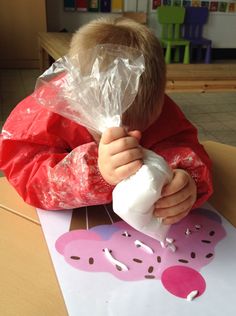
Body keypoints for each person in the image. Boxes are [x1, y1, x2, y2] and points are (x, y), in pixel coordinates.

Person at [0, 17, 212, 225]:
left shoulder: (159, 106)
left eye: (142, 128)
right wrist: (96, 172)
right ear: (78, 100)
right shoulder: (46, 113)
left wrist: (188, 182)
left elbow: (184, 144)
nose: (129, 136)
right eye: (100, 130)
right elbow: (25, 172)